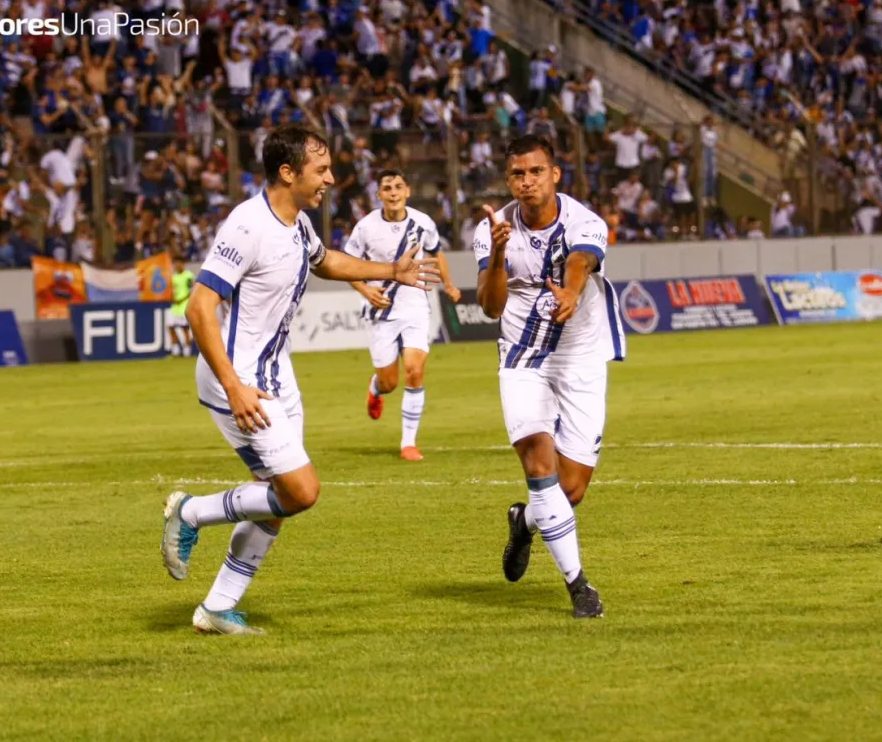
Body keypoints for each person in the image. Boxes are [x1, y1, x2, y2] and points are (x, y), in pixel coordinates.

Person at [160, 125, 441, 636]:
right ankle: (191, 511)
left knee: (278, 497)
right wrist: (234, 386)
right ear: (288, 173)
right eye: (321, 169)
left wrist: (390, 271)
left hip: (277, 375)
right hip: (240, 379)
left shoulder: (298, 223)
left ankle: (217, 608)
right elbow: (200, 306)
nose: (331, 179)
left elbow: (325, 260)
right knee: (301, 491)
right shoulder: (248, 225)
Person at [473, 135, 626, 619]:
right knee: (540, 465)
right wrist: (499, 254)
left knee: (571, 489)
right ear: (508, 180)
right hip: (522, 358)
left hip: (580, 357)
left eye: (536, 171)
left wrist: (571, 293)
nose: (527, 182)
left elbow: (580, 260)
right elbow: (491, 306)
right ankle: (579, 586)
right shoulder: (492, 229)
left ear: (554, 174)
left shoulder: (585, 221)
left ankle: (525, 522)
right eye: (517, 174)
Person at [344, 169, 461, 461]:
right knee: (389, 382)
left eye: (398, 187)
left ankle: (408, 443)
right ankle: (376, 388)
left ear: (407, 191)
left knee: (414, 370)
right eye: (387, 188)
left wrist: (448, 284)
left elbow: (436, 253)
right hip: (380, 308)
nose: (393, 192)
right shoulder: (365, 227)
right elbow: (347, 265)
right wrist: (365, 290)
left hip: (415, 306)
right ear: (379, 195)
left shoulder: (423, 222)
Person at [168, 259, 196, 356]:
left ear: (183, 264)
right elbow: (172, 290)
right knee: (170, 327)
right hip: (175, 307)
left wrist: (181, 300)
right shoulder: (174, 277)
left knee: (185, 329)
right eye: (175, 264)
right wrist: (172, 298)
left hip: (184, 306)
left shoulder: (188, 275)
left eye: (178, 264)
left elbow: (192, 290)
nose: (177, 266)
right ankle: (175, 350)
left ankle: (187, 351)